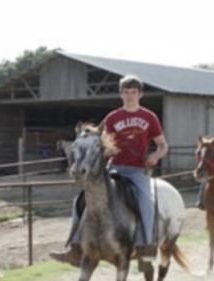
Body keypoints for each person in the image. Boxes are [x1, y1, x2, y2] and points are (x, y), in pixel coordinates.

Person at [50, 75, 168, 265]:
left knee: (146, 200)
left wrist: (155, 156)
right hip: (114, 169)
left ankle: (146, 244)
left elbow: (163, 145)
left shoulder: (149, 117)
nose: (130, 96)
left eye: (134, 92)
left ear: (140, 94)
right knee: (81, 199)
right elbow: (99, 142)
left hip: (137, 171)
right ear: (121, 94)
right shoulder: (113, 118)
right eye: (126, 92)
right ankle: (75, 247)